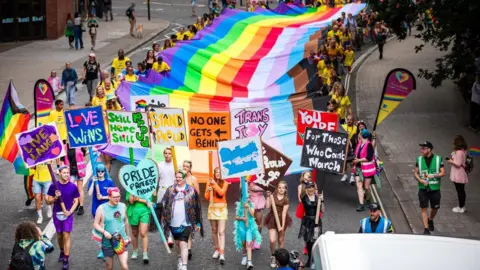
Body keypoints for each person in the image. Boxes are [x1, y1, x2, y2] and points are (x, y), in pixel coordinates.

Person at [159, 170, 203, 270]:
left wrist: (197, 223)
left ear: (184, 178)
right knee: (178, 243)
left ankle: (184, 265)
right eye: (176, 177)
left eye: (180, 177)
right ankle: (180, 257)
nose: (178, 179)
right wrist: (155, 207)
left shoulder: (191, 190)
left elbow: (196, 207)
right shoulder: (170, 190)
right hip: (173, 222)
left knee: (184, 243)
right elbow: (164, 203)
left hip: (186, 222)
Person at [46, 165, 80, 270]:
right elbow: (48, 201)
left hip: (68, 215)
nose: (66, 175)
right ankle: (62, 250)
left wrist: (70, 211)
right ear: (59, 173)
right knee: (60, 236)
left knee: (66, 236)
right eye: (64, 173)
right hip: (57, 214)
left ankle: (66, 259)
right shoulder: (53, 186)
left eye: (67, 173)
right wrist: (55, 197)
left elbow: (76, 201)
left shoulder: (73, 186)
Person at [93, 187, 131, 270]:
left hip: (121, 240)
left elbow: (126, 221)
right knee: (109, 267)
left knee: (125, 266)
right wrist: (104, 232)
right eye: (114, 197)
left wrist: (128, 236)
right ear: (109, 197)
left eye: (118, 196)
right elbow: (95, 224)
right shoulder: (101, 208)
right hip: (107, 242)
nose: (117, 199)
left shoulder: (123, 206)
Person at [414, 141, 445, 235]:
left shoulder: (438, 159)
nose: (421, 150)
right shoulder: (419, 159)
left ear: (429, 149)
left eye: (423, 148)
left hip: (434, 188)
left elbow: (443, 173)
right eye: (421, 148)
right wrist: (420, 180)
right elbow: (415, 173)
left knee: (435, 208)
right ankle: (426, 229)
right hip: (423, 188)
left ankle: (430, 219)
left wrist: (434, 175)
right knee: (424, 208)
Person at [87, 163, 115, 259]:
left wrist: (103, 197)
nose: (100, 173)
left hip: (107, 208)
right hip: (96, 208)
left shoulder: (109, 182)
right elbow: (90, 193)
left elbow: (115, 195)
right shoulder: (93, 181)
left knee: (106, 228)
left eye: (102, 171)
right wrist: (93, 183)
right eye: (98, 171)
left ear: (105, 172)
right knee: (99, 230)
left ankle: (107, 248)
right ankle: (102, 249)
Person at [204, 167, 229, 264]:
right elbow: (206, 197)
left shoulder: (225, 182)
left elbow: (221, 193)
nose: (218, 173)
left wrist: (214, 185)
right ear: (214, 173)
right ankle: (217, 249)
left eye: (220, 172)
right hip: (212, 207)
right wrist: (209, 190)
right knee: (214, 230)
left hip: (222, 208)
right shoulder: (209, 182)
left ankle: (222, 254)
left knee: (221, 231)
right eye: (216, 172)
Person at [265, 181, 292, 268]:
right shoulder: (272, 195)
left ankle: (280, 259)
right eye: (279, 187)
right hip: (272, 218)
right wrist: (268, 196)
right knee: (272, 240)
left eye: (283, 188)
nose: (281, 189)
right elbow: (268, 206)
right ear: (277, 188)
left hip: (282, 219)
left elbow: (284, 213)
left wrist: (282, 226)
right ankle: (273, 256)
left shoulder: (286, 199)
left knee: (280, 240)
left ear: (285, 189)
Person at [298, 182, 324, 268]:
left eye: (312, 187)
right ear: (306, 189)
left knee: (315, 240)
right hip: (308, 222)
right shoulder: (304, 198)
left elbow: (323, 211)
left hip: (317, 222)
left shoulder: (318, 198)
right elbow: (301, 195)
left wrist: (322, 201)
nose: (311, 189)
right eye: (309, 187)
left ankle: (315, 260)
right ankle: (310, 259)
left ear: (314, 188)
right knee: (309, 242)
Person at [126, 184, 153, 264]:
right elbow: (131, 200)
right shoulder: (130, 187)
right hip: (133, 211)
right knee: (134, 233)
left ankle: (145, 254)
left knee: (143, 233)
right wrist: (132, 192)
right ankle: (135, 251)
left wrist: (138, 199)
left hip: (144, 212)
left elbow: (149, 201)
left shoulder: (147, 186)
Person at [155, 147, 176, 247]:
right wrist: (154, 190)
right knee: (163, 213)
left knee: (172, 213)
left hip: (173, 191)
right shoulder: (159, 165)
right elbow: (156, 178)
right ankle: (166, 233)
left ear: (172, 154)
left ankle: (170, 235)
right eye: (166, 153)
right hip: (162, 191)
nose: (167, 155)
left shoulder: (176, 165)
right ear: (164, 154)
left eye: (169, 153)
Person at [234, 194, 260, 269]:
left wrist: (248, 206)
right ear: (241, 198)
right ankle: (244, 256)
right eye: (245, 198)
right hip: (241, 227)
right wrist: (242, 218)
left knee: (249, 243)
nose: (247, 199)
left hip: (249, 227)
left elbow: (252, 214)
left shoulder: (251, 205)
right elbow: (236, 217)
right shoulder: (239, 205)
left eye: (248, 197)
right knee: (243, 243)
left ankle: (249, 261)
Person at [353, 129, 376, 212]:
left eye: (360, 134)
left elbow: (369, 158)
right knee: (359, 186)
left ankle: (368, 199)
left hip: (367, 170)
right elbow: (356, 154)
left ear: (361, 135)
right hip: (358, 169)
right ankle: (361, 204)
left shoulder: (369, 145)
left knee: (366, 187)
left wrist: (358, 160)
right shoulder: (359, 144)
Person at [448, 135, 469, 213]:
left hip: (458, 174)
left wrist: (451, 161)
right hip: (460, 173)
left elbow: (458, 163)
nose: (453, 143)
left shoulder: (459, 152)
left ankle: (461, 207)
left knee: (460, 190)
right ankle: (462, 206)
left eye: (454, 142)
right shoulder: (463, 150)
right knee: (461, 190)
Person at [249, 182, 265, 250]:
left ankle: (257, 240)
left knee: (259, 223)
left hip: (259, 203)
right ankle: (251, 240)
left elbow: (265, 187)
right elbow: (242, 189)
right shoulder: (248, 177)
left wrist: (255, 189)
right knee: (251, 223)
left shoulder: (261, 177)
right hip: (250, 202)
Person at [341, 115, 357, 184]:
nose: (349, 121)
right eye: (348, 119)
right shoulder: (343, 127)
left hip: (353, 147)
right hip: (344, 147)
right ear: (346, 120)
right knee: (344, 162)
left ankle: (352, 176)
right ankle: (345, 175)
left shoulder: (356, 128)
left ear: (353, 121)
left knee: (352, 163)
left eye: (351, 120)